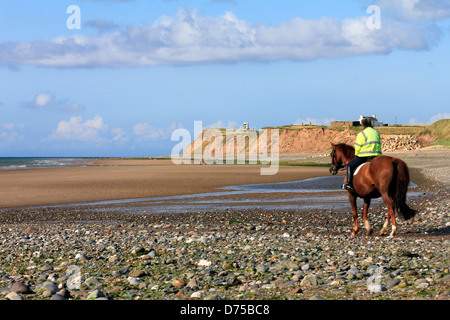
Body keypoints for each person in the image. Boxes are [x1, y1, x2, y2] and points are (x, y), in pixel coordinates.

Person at [343, 117, 382, 191]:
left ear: (363, 125)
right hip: (377, 155)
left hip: (364, 156)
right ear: (371, 124)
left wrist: (357, 154)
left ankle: (349, 184)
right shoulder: (376, 132)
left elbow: (357, 146)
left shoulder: (362, 134)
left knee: (349, 166)